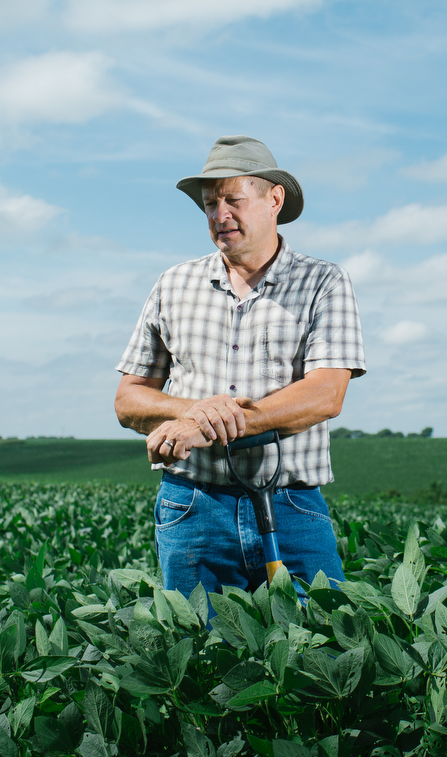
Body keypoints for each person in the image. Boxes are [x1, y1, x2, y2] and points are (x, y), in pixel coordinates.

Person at [113, 136, 366, 599]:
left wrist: (212, 424)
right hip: (192, 506)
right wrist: (198, 413)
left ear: (274, 199)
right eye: (210, 204)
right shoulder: (173, 284)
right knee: (200, 656)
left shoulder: (324, 282)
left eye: (233, 199)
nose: (219, 214)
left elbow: (325, 394)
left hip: (291, 503)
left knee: (321, 653)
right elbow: (129, 398)